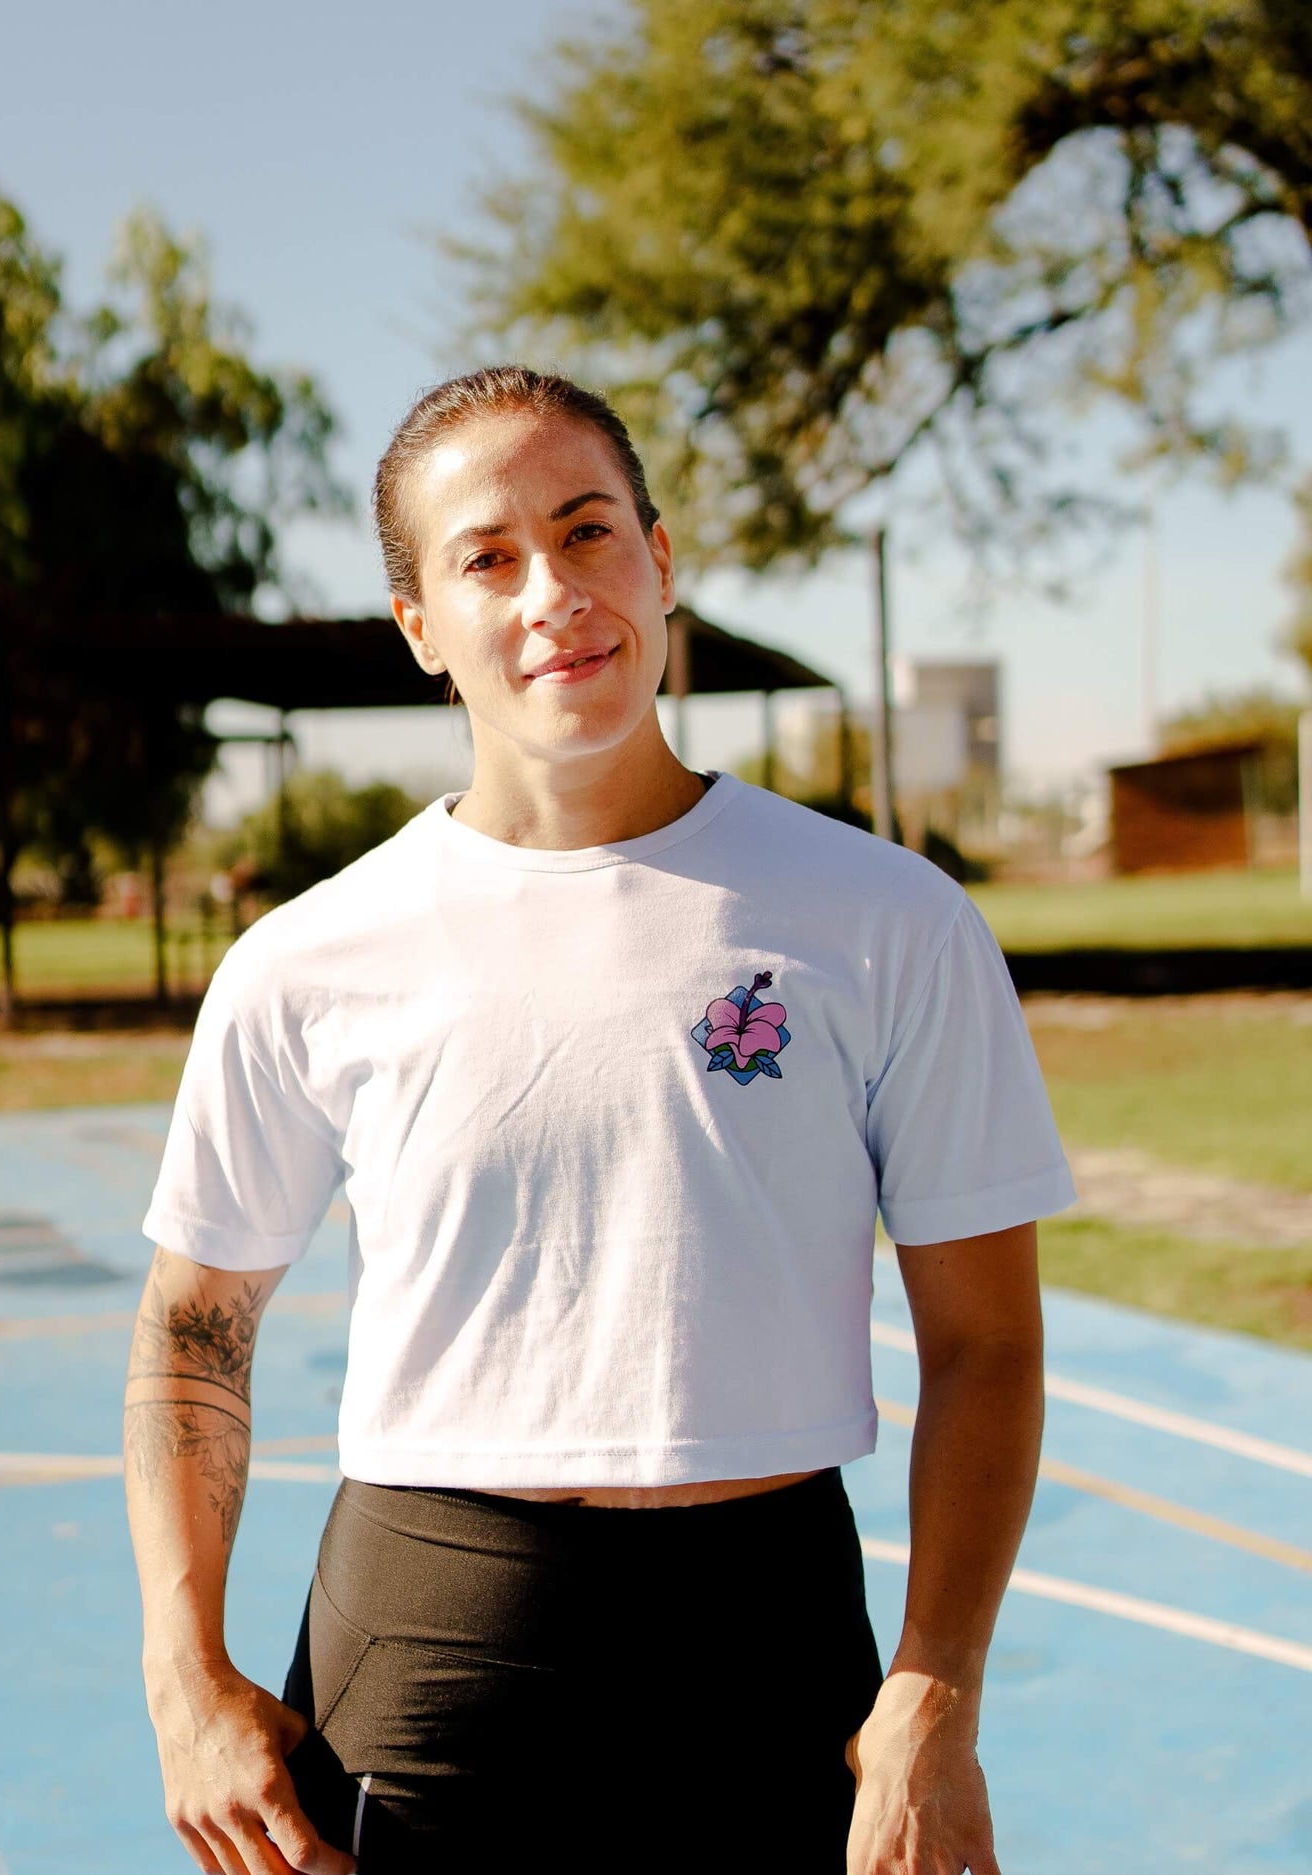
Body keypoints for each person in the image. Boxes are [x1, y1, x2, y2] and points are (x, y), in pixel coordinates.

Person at [123, 366, 1077, 1875]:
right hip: (436, 1636)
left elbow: (986, 1344)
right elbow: (196, 1325)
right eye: (486, 557)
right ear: (421, 628)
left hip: (772, 1639)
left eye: (587, 532)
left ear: (660, 560)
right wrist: (185, 1682)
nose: (552, 590)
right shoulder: (307, 960)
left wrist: (933, 1684)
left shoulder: (891, 920)